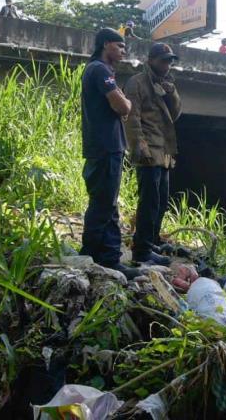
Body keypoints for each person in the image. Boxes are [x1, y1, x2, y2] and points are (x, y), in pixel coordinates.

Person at [80, 28, 140, 279]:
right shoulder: (100, 70)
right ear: (106, 45)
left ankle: (106, 256)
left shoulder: (97, 70)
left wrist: (123, 106)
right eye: (120, 46)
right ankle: (96, 257)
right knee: (104, 204)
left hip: (104, 146)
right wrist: (126, 105)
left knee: (106, 203)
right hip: (106, 147)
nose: (124, 51)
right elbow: (121, 104)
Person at [123, 43, 182, 266]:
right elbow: (132, 118)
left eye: (170, 61)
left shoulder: (165, 84)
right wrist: (140, 148)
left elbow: (175, 116)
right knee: (149, 201)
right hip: (149, 150)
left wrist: (171, 92)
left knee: (162, 200)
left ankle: (153, 240)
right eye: (163, 60)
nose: (167, 65)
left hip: (165, 150)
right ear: (151, 60)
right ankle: (142, 250)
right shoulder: (137, 83)